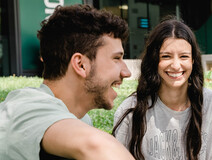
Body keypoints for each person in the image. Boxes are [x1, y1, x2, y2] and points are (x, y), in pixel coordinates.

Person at [0, 4, 134, 159]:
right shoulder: (27, 109)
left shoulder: (79, 119)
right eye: (116, 58)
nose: (127, 72)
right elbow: (98, 146)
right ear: (81, 64)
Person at [112, 18, 212, 160]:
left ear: (193, 61)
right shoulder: (130, 109)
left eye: (184, 56)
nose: (175, 65)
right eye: (166, 56)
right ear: (154, 60)